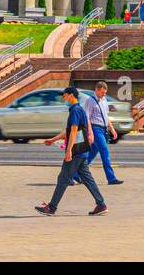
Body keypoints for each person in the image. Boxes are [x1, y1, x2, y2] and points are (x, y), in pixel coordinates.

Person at [35, 86, 107, 216]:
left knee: (63, 178)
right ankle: (101, 204)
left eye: (65, 95)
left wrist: (69, 151)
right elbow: (69, 130)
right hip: (82, 150)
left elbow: (74, 131)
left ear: (71, 95)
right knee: (87, 179)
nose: (63, 97)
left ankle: (51, 208)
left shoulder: (75, 110)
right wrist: (53, 139)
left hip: (76, 151)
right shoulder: (79, 109)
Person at [82, 81, 123, 186]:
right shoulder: (90, 100)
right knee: (105, 152)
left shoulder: (104, 100)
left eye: (105, 92)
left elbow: (106, 116)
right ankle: (111, 178)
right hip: (95, 129)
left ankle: (77, 174)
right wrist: (90, 132)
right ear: (96, 90)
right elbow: (87, 118)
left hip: (104, 129)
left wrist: (112, 128)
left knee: (92, 153)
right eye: (102, 92)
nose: (104, 94)